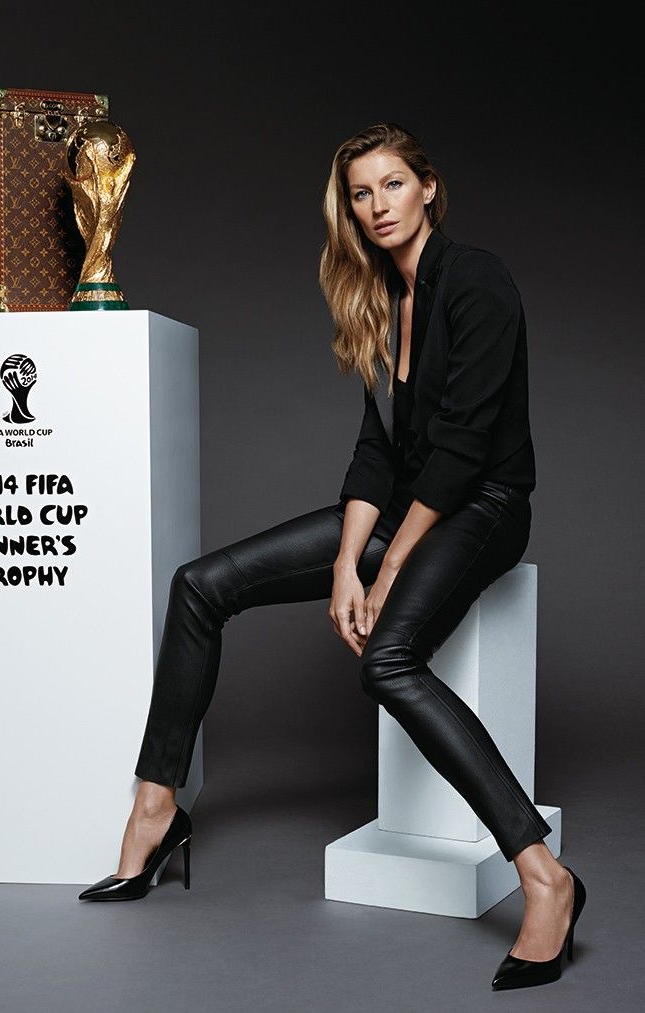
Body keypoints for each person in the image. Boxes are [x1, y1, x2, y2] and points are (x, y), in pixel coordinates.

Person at [78, 122, 586, 992]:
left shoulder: (478, 280)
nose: (378, 205)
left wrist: (387, 570)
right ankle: (156, 808)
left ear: (428, 188)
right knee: (200, 586)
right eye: (360, 193)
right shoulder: (378, 300)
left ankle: (545, 876)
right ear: (346, 209)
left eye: (393, 184)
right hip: (410, 506)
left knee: (389, 660)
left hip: (486, 505)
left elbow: (462, 451)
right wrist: (350, 561)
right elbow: (376, 454)